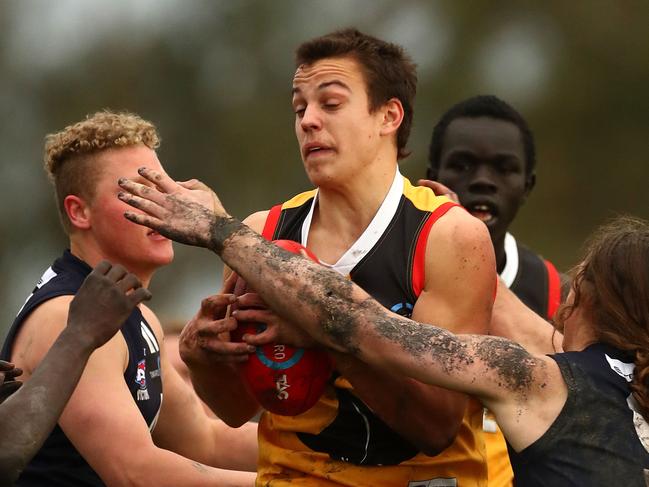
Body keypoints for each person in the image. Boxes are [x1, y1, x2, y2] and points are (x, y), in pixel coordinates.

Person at [116, 168, 649, 487]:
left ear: (581, 299)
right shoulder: (614, 387)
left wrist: (217, 229)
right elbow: (532, 331)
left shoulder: (537, 380)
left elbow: (363, 326)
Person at [137, 28, 495, 486]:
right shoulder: (260, 233)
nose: (308, 121)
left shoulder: (449, 236)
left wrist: (319, 330)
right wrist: (205, 357)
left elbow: (437, 425)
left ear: (388, 116)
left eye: (330, 104)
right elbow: (236, 409)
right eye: (299, 107)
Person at [0, 111, 256, 486]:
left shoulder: (137, 314)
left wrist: (319, 446)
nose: (163, 204)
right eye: (137, 190)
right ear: (79, 211)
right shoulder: (69, 316)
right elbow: (134, 472)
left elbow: (203, 440)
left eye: (162, 188)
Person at [422, 95, 567, 486]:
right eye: (463, 165)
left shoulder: (558, 295)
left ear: (527, 185)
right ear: (432, 174)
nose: (483, 180)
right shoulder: (397, 268)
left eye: (504, 168)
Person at [0, 261, 150, 485]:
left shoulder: (146, 321)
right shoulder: (58, 311)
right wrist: (80, 333)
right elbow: (5, 455)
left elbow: (203, 441)